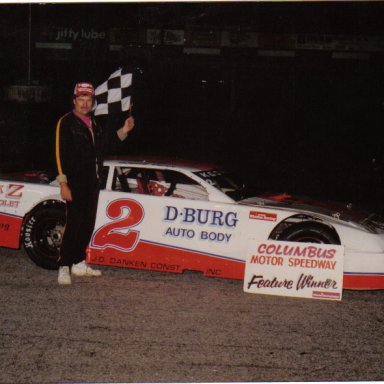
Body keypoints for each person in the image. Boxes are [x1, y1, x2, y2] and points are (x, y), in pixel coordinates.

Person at [55, 82, 134, 285]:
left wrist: (124, 130)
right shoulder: (66, 122)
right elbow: (59, 154)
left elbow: (104, 147)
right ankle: (64, 266)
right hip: (75, 183)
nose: (84, 104)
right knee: (73, 223)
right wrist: (63, 183)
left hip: (93, 182)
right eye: (81, 99)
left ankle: (78, 263)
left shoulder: (94, 124)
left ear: (92, 103)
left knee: (87, 223)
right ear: (74, 101)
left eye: (88, 100)